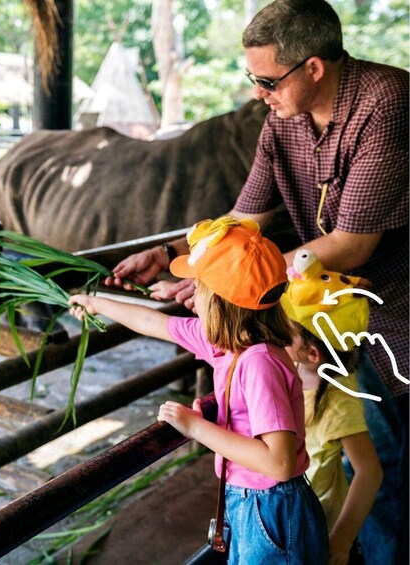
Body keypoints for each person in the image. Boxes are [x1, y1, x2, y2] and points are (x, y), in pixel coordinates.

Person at [105, 2, 408, 561]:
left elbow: (353, 241)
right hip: (321, 312)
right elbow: (247, 219)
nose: (259, 93)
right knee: (344, 451)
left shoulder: (387, 103)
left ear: (314, 68)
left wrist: (230, 279)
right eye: (254, 79)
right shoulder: (282, 117)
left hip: (391, 312)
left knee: (385, 459)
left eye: (267, 80)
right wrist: (178, 252)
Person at [71, 217, 328, 563]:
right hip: (251, 500)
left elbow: (279, 463)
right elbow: (153, 322)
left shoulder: (259, 363)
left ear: (220, 303)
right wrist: (95, 304)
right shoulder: (223, 344)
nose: (191, 297)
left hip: (270, 507)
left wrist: (195, 427)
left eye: (199, 289)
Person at [281, 249, 382, 565]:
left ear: (313, 354)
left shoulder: (338, 399)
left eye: (287, 330)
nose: (276, 333)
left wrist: (340, 540)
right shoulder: (292, 372)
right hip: (288, 520)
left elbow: (369, 471)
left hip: (319, 531)